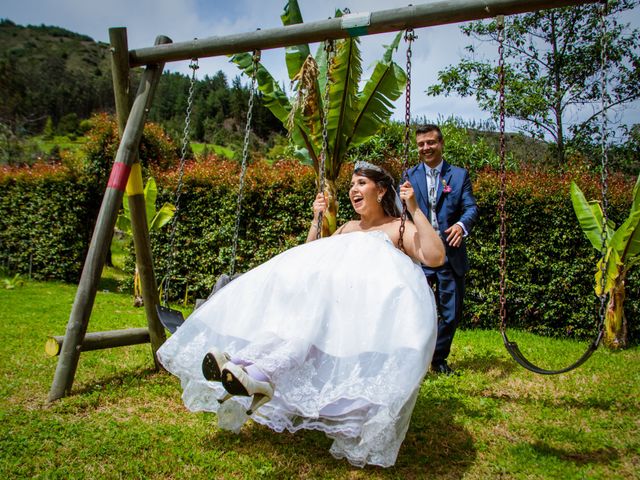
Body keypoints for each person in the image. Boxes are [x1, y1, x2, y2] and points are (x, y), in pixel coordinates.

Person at [156, 162, 445, 468]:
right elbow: (310, 259)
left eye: (361, 183)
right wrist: (315, 220)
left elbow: (435, 255)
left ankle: (254, 375)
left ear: (382, 190)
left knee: (302, 335)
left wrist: (413, 208)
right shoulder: (347, 228)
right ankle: (245, 368)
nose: (353, 190)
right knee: (290, 330)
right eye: (352, 185)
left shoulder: (395, 228)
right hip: (327, 304)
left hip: (360, 314)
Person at [404, 124, 479, 376]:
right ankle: (414, 360)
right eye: (421, 144)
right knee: (415, 313)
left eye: (430, 142)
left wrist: (461, 225)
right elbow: (400, 213)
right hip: (420, 254)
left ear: (441, 143)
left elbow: (471, 208)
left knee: (450, 313)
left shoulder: (458, 175)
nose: (425, 148)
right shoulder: (409, 175)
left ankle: (438, 359)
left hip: (450, 254)